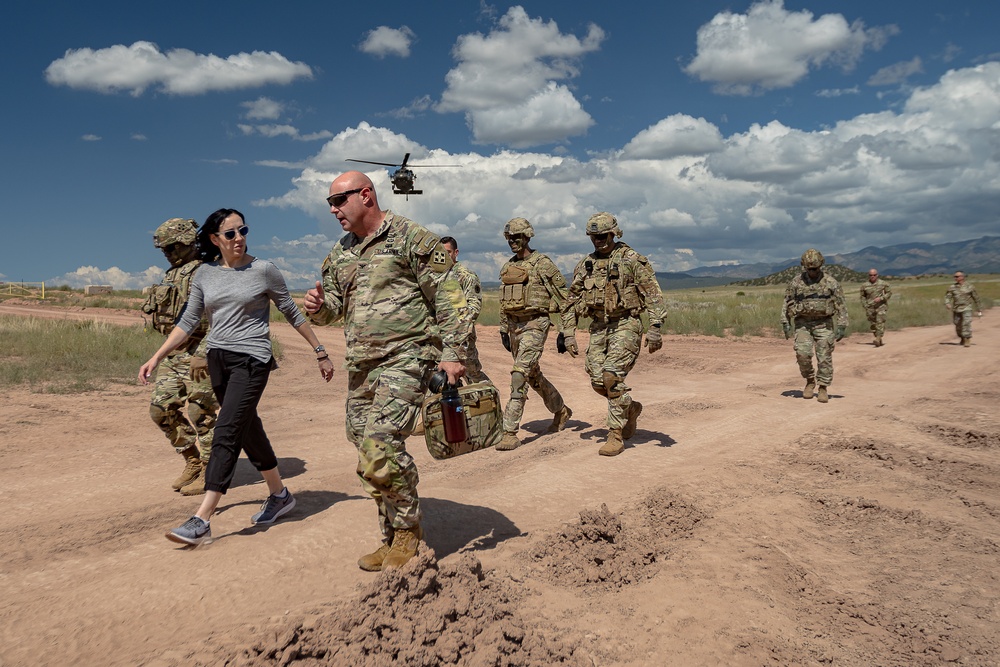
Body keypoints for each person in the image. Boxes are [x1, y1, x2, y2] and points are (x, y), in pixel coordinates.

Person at [139, 208, 334, 546]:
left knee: (227, 429)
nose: (239, 238)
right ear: (215, 239)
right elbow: (188, 321)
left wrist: (320, 350)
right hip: (218, 360)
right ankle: (280, 495)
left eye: (242, 230)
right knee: (247, 428)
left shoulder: (264, 270)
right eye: (230, 233)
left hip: (252, 359)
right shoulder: (205, 275)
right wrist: (157, 356)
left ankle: (202, 518)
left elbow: (290, 311)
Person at [304, 172, 467, 572]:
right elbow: (334, 311)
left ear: (366, 195)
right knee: (363, 446)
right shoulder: (340, 253)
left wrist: (453, 352)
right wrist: (317, 307)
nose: (333, 209)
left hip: (408, 357)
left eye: (339, 200)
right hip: (362, 365)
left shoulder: (414, 239)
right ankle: (391, 533)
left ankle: (408, 531)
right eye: (330, 202)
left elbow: (451, 295)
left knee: (379, 442)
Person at [559, 212, 667, 457]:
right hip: (598, 327)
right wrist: (568, 333)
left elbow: (652, 293)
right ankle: (630, 408)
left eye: (602, 236)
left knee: (611, 377)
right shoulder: (586, 265)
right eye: (594, 237)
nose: (598, 241)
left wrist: (655, 327)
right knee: (598, 382)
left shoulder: (631, 260)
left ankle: (615, 435)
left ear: (614, 234)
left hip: (626, 323)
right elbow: (570, 300)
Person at [141, 218, 218, 495]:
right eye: (164, 249)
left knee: (201, 413)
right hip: (176, 354)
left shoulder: (209, 271)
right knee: (160, 410)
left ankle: (212, 471)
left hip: (202, 353)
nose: (168, 253)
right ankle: (192, 461)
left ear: (188, 242)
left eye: (172, 247)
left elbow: (224, 316)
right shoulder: (172, 274)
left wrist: (207, 352)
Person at [496, 217, 572, 451]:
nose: (513, 242)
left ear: (528, 237)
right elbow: (503, 301)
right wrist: (502, 328)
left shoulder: (542, 264)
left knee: (519, 374)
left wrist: (565, 331)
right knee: (532, 375)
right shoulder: (508, 266)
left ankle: (509, 431)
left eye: (517, 238)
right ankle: (561, 410)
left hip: (536, 324)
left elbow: (564, 298)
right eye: (510, 238)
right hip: (514, 326)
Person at [780, 249, 847, 404]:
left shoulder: (831, 283)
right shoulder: (796, 283)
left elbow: (841, 305)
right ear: (804, 267)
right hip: (803, 323)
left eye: (815, 269)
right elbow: (787, 303)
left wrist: (842, 324)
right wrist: (785, 323)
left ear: (820, 266)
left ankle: (823, 387)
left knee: (824, 357)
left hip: (824, 324)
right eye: (809, 269)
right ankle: (810, 380)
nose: (812, 272)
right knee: (802, 354)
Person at [441, 236, 491, 385]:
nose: (444, 256)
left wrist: (456, 325)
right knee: (442, 379)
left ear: (456, 253)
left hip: (463, 338)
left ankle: (491, 404)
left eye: (448, 252)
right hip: (440, 338)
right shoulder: (435, 276)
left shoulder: (466, 276)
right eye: (441, 253)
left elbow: (474, 307)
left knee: (473, 377)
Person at [945, 271, 983, 347]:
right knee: (957, 324)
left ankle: (967, 339)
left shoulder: (970, 286)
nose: (955, 278)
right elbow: (948, 296)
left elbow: (976, 298)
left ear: (962, 277)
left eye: (957, 276)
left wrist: (979, 308)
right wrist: (947, 303)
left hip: (967, 308)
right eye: (955, 276)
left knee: (966, 323)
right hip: (956, 308)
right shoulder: (952, 287)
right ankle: (962, 337)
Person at [859, 268, 892, 347]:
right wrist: (865, 305)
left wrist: (881, 298)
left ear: (877, 275)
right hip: (870, 307)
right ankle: (878, 338)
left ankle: (878, 338)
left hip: (881, 306)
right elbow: (862, 296)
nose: (872, 276)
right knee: (873, 324)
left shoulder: (883, 283)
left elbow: (889, 293)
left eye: (874, 275)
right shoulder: (864, 285)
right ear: (868, 275)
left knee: (880, 322)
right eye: (871, 275)